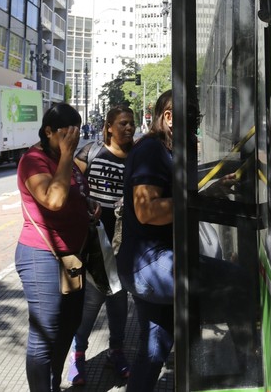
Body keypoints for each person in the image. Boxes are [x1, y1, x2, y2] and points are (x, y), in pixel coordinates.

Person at [15, 102, 94, 392]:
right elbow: (53, 200)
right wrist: (68, 154)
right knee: (45, 333)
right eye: (66, 133)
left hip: (72, 258)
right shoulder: (33, 161)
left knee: (69, 324)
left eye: (76, 133)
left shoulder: (64, 158)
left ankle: (52, 383)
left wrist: (88, 207)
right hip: (41, 256)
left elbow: (73, 194)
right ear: (48, 131)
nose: (72, 139)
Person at [66, 105, 137, 386]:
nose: (129, 128)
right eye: (123, 123)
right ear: (108, 127)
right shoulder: (91, 153)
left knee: (119, 303)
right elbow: (71, 183)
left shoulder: (136, 156)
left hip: (123, 243)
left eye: (131, 123)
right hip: (94, 242)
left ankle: (115, 352)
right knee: (91, 304)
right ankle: (78, 356)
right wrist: (83, 205)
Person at [115, 91, 176, 392]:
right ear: (169, 117)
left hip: (143, 265)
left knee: (155, 348)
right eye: (192, 122)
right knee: (235, 282)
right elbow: (147, 211)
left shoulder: (161, 150)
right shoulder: (152, 150)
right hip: (150, 264)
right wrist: (196, 199)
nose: (196, 130)